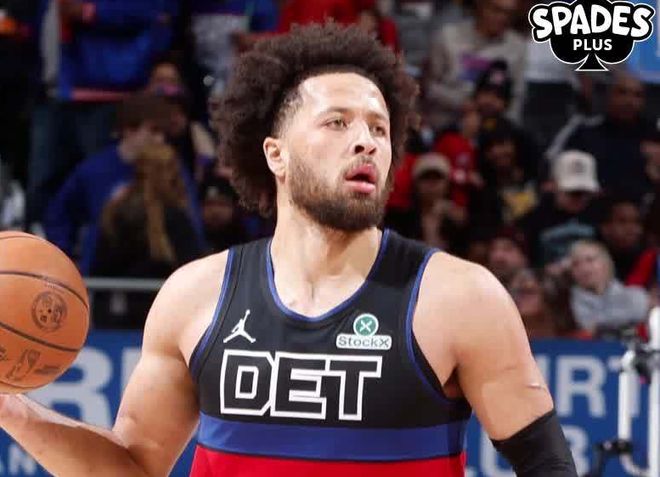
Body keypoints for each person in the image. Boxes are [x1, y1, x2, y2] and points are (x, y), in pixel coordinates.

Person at [0, 24, 576, 476]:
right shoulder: (195, 295)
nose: (366, 141)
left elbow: (547, 465)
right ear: (275, 154)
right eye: (338, 122)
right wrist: (12, 410)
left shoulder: (459, 297)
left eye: (379, 129)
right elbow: (132, 465)